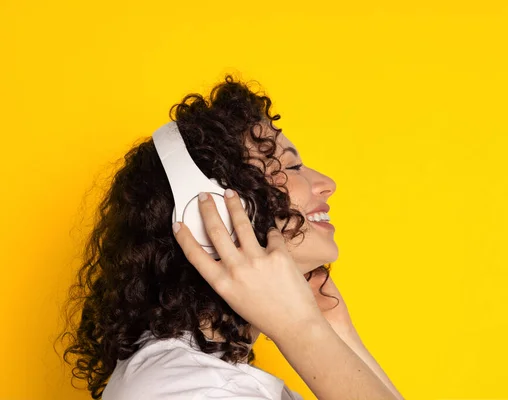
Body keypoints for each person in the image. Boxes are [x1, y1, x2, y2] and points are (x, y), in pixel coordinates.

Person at [56, 74, 405, 399]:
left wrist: (335, 331)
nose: (326, 183)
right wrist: (301, 328)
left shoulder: (205, 378)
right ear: (206, 215)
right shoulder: (185, 390)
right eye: (291, 166)